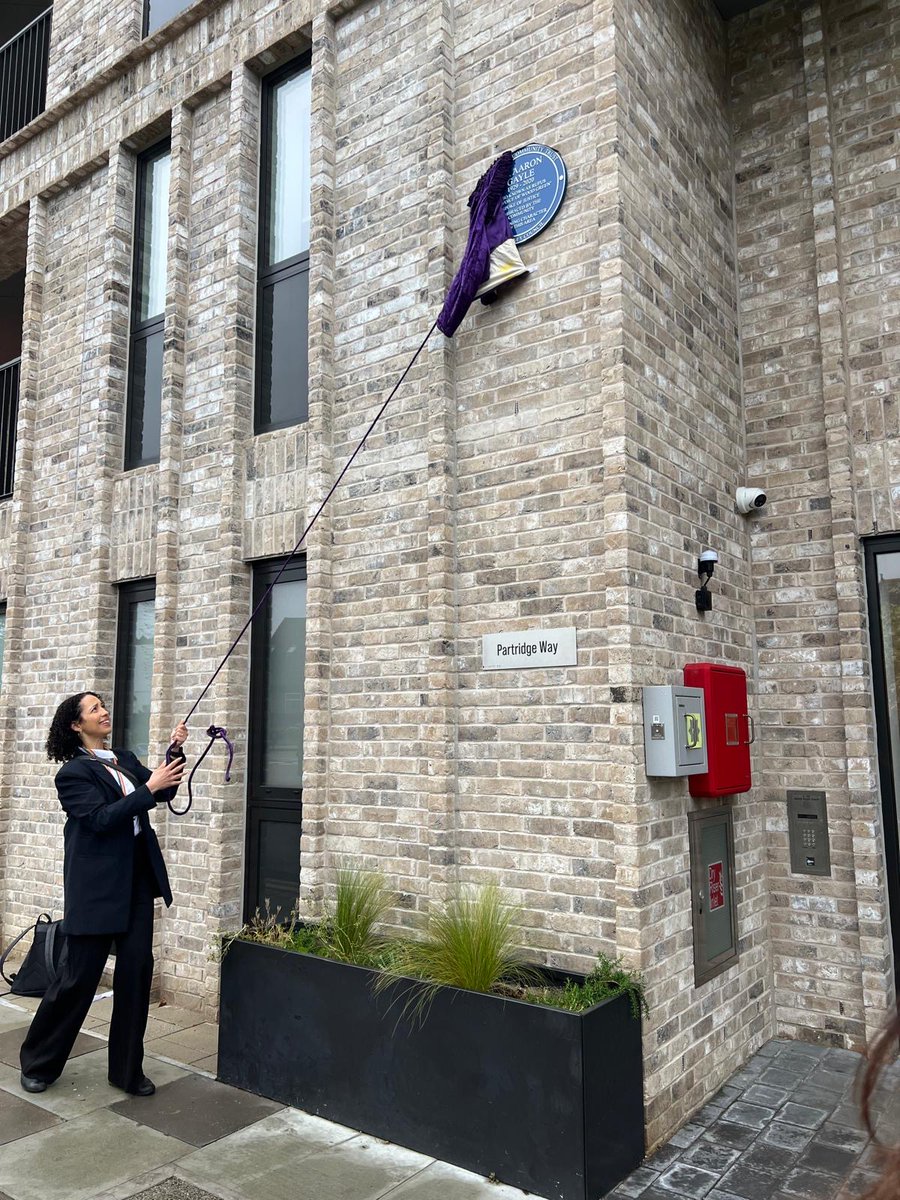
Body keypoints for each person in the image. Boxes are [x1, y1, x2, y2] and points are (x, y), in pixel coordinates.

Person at [19, 692, 187, 1097]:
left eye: (103, 706)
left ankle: (127, 1072)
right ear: (77, 725)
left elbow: (162, 792)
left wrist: (175, 750)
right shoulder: (73, 774)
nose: (104, 711)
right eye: (94, 709)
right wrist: (148, 788)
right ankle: (39, 1062)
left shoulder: (124, 759)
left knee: (135, 975)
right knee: (78, 978)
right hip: (96, 888)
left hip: (135, 882)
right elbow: (99, 819)